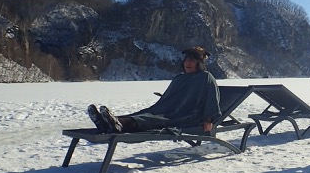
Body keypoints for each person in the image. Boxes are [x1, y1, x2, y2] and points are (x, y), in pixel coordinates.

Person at [88, 46, 221, 134]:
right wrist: (164, 107)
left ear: (200, 63)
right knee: (147, 114)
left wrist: (208, 119)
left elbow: (212, 98)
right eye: (186, 59)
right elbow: (170, 98)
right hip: (169, 110)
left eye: (192, 60)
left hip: (187, 116)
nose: (188, 63)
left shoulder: (205, 77)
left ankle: (116, 123)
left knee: (152, 120)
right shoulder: (180, 78)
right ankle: (107, 122)